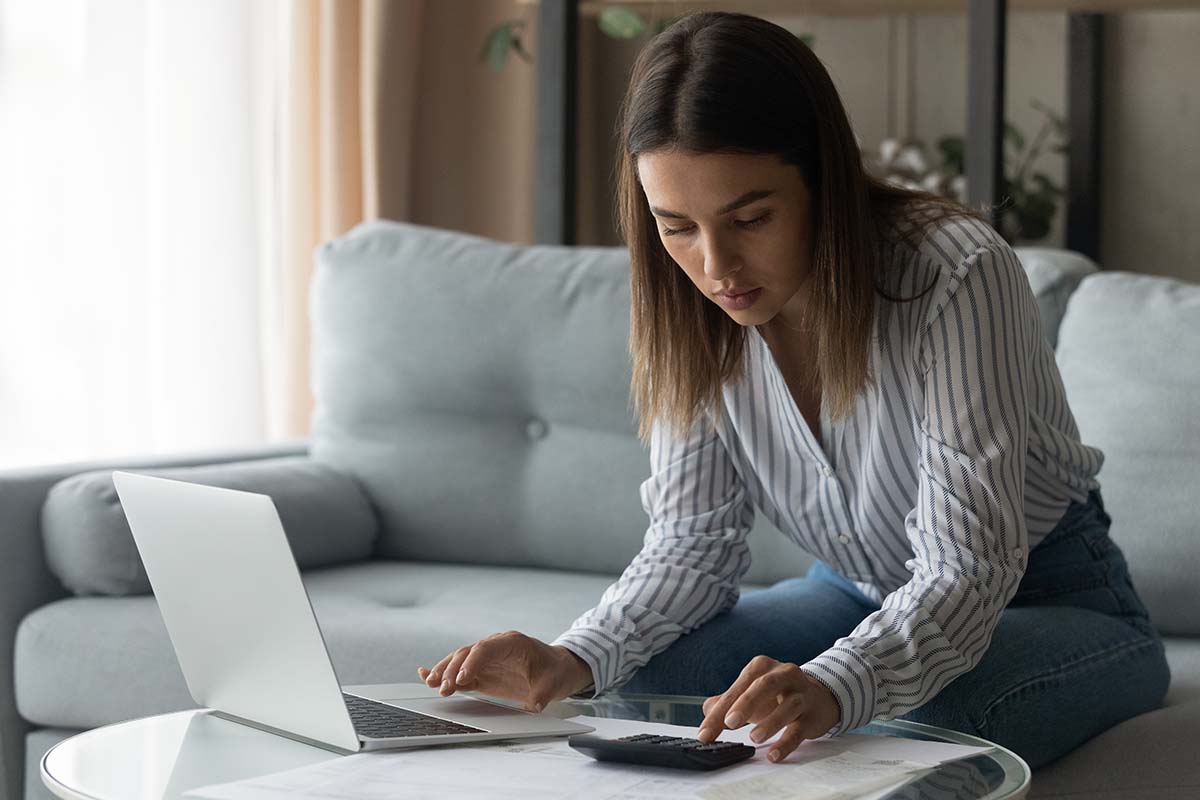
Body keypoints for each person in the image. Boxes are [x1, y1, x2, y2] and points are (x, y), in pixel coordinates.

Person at [417, 10, 1170, 769]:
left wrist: (838, 684)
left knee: (930, 720)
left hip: (1055, 597)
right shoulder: (692, 309)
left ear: (822, 179)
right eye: (676, 226)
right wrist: (569, 657)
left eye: (750, 217)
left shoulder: (953, 273)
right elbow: (689, 548)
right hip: (854, 590)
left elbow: (964, 569)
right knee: (650, 680)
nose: (716, 267)